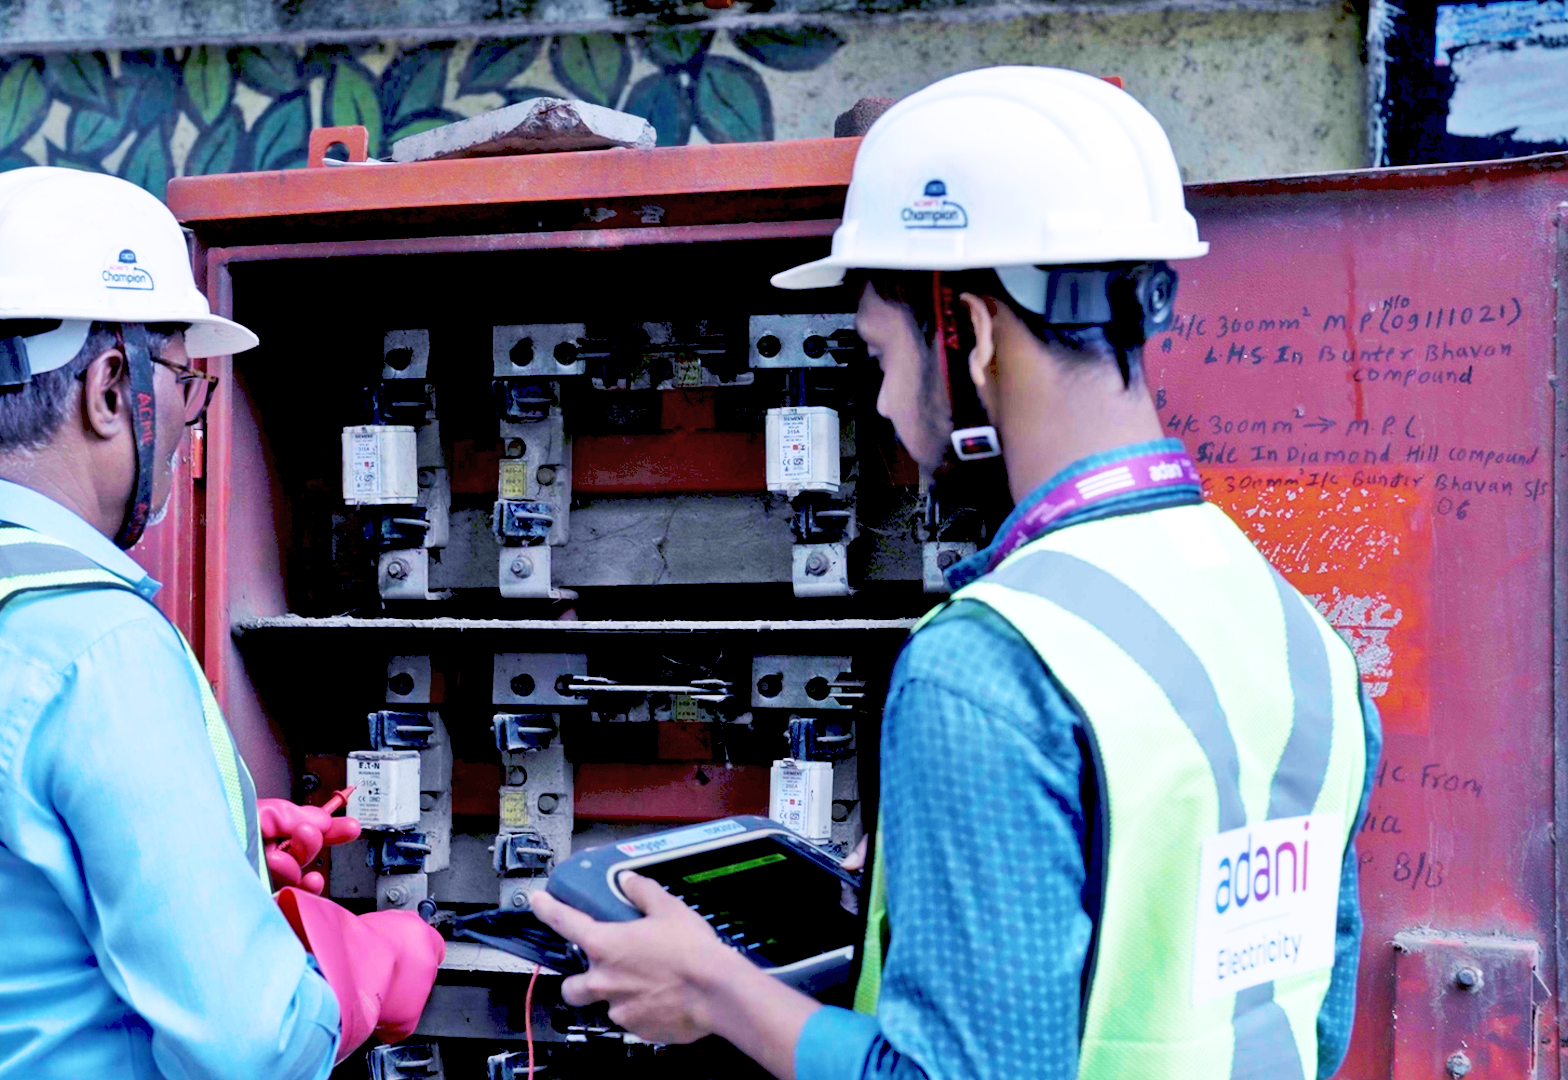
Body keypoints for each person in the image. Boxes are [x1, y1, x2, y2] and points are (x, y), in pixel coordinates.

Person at [530, 66, 1381, 1080]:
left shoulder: (989, 667)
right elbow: (1304, 1014)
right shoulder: (1294, 630)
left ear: (969, 332)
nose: (887, 407)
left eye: (880, 357)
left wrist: (714, 990)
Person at [0, 167, 437, 1079]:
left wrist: (199, 848)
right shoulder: (96, 645)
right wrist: (361, 969)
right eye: (184, 383)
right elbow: (255, 1047)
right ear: (109, 385)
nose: (188, 424)